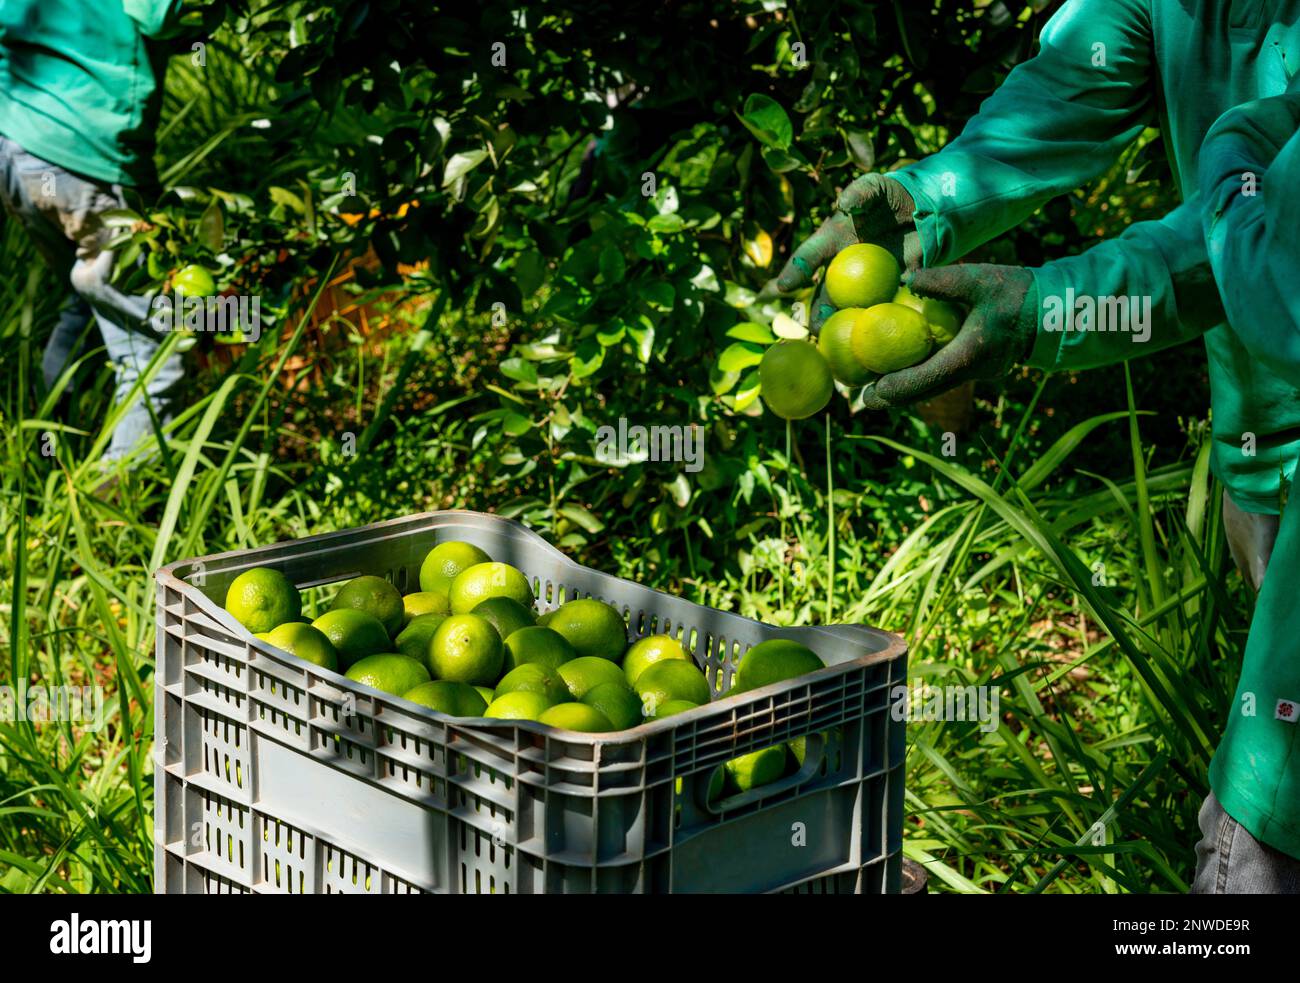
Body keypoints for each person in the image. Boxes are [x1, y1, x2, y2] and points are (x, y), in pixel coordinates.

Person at [771, 0, 1300, 892]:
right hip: (1259, 432)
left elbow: (1269, 252)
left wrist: (1047, 309)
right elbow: (1060, 97)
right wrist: (928, 203)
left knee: (1271, 807)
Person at [0, 0, 190, 470]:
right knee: (156, 345)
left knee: (88, 300)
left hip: (15, 148)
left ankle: (46, 456)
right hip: (85, 159)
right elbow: (160, 16)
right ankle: (116, 509)